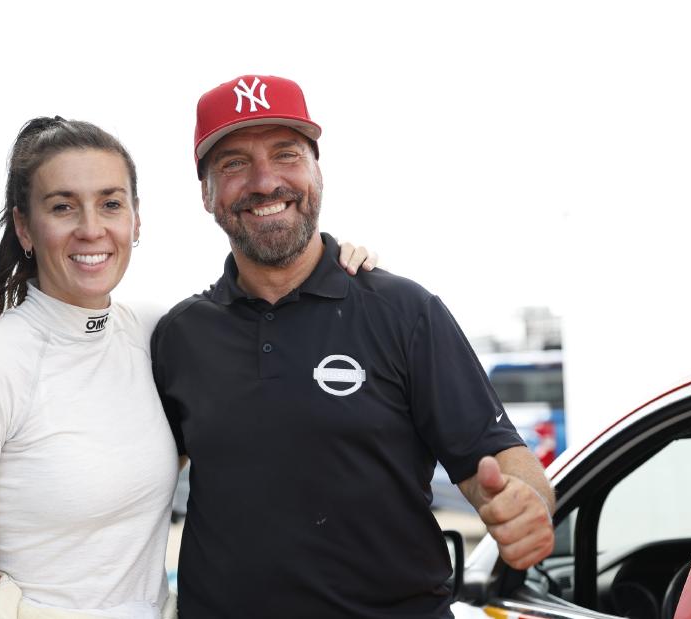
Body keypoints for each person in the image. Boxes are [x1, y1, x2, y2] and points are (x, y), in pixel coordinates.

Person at [0, 116, 375, 619]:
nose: (91, 229)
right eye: (63, 206)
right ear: (25, 226)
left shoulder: (155, 334)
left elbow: (268, 321)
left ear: (136, 219)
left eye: (110, 203)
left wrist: (334, 259)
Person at [148, 75, 556, 618]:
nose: (265, 181)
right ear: (205, 194)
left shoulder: (403, 311)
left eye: (286, 154)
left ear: (317, 171)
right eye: (234, 164)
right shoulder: (180, 336)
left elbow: (504, 461)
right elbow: (130, 484)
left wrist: (524, 504)